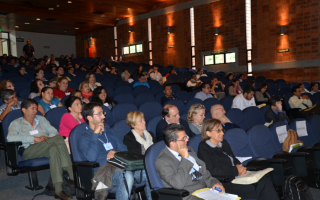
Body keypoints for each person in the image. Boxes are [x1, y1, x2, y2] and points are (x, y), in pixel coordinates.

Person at [78, 103, 152, 200]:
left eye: (103, 113)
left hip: (121, 165)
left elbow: (124, 149)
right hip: (103, 170)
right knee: (127, 175)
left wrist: (115, 152)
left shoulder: (109, 132)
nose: (104, 116)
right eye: (99, 114)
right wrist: (95, 134)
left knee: (150, 172)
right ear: (89, 118)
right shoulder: (84, 138)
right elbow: (92, 157)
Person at [7, 99, 74, 200]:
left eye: (36, 108)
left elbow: (53, 130)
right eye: (32, 108)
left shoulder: (41, 119)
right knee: (59, 138)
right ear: (24, 110)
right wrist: (33, 138)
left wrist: (47, 138)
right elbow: (10, 138)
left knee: (55, 149)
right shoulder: (16, 123)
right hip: (28, 150)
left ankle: (58, 190)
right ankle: (71, 174)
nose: (35, 111)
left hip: (46, 146)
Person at [198, 119, 280, 200]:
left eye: (222, 130)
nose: (222, 133)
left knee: (265, 180)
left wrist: (241, 167)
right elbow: (211, 170)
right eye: (218, 131)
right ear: (208, 133)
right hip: (224, 182)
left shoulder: (224, 143)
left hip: (237, 177)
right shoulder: (203, 147)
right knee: (257, 188)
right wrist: (236, 170)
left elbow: (233, 158)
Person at [155, 124, 223, 200]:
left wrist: (214, 183)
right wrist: (185, 159)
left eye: (186, 136)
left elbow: (203, 174)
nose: (187, 140)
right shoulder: (162, 161)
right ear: (173, 143)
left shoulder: (189, 150)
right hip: (187, 196)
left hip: (205, 191)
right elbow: (178, 184)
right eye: (183, 138)